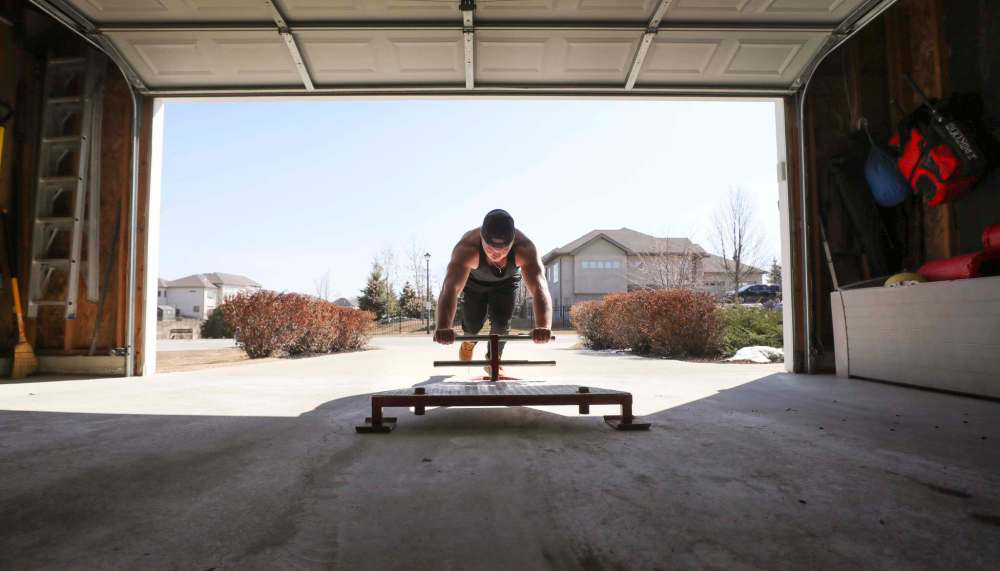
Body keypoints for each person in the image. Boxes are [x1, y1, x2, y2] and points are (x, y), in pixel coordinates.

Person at [433, 209, 552, 374]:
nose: (497, 254)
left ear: (512, 242)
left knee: (502, 323)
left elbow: (539, 287)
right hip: (474, 284)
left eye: (504, 250)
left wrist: (543, 326)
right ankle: (469, 341)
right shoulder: (467, 248)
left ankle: (493, 359)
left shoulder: (525, 248)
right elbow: (450, 288)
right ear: (482, 238)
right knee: (473, 324)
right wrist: (444, 326)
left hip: (506, 283)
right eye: (490, 249)